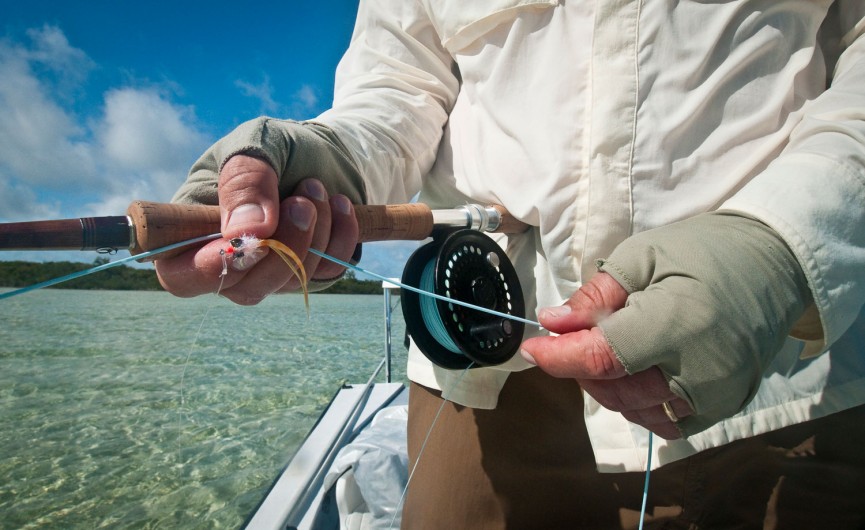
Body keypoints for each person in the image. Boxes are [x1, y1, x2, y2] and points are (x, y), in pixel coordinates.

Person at [156, 1, 865, 528]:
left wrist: (778, 244)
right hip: (480, 382)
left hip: (783, 368)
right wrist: (324, 162)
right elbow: (396, 89)